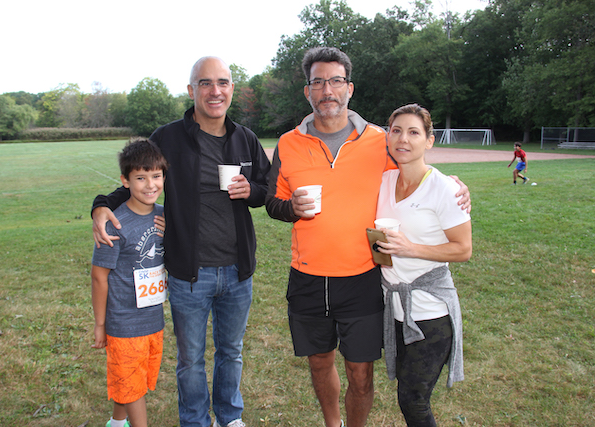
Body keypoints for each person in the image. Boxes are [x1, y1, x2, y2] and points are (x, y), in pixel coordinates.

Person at [265, 47, 471, 427]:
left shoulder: (381, 140)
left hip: (363, 278)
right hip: (307, 277)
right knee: (319, 362)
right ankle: (333, 423)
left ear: (350, 88)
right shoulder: (288, 143)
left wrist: (455, 185)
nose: (328, 89)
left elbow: (419, 171)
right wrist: (290, 207)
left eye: (336, 81)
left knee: (361, 374)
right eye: (318, 82)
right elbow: (272, 203)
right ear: (307, 91)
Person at [91, 57, 271, 427]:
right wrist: (101, 205)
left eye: (222, 82)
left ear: (232, 89)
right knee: (190, 358)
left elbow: (266, 191)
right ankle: (194, 421)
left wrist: (250, 189)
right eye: (205, 83)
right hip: (190, 272)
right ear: (192, 91)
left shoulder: (245, 139)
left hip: (238, 270)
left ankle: (229, 417)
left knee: (231, 352)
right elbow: (137, 178)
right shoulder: (168, 137)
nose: (214, 90)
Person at [375, 104, 472, 426]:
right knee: (407, 394)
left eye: (414, 132)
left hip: (431, 314)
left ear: (429, 141)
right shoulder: (384, 181)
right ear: (388, 136)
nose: (403, 139)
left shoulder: (444, 188)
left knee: (413, 399)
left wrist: (410, 248)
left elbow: (463, 249)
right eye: (397, 130)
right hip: (397, 310)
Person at [91, 138, 169, 427]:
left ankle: (116, 421)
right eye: (140, 178)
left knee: (131, 376)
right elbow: (99, 277)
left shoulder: (164, 215)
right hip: (124, 321)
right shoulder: (114, 223)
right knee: (133, 385)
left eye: (156, 176)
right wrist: (101, 324)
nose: (150, 185)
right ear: (125, 180)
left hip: (153, 319)